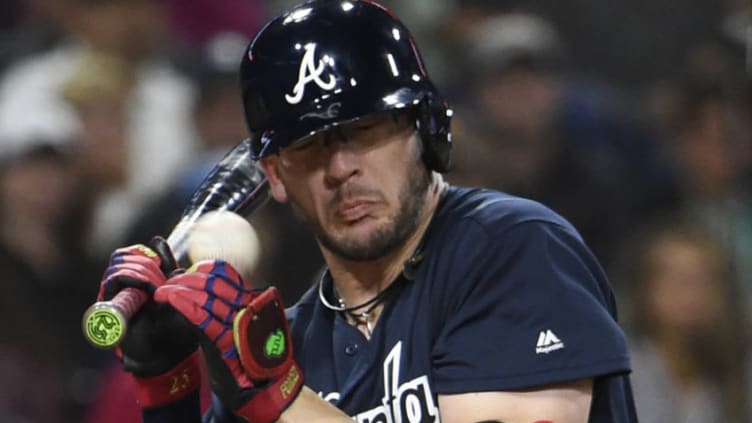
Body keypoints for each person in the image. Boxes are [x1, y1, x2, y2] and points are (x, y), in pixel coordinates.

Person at [93, 1, 637, 422]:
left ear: (425, 132)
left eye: (364, 133)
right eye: (310, 147)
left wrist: (272, 389)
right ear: (276, 177)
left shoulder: (511, 248)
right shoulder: (296, 339)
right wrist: (168, 388)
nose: (341, 168)